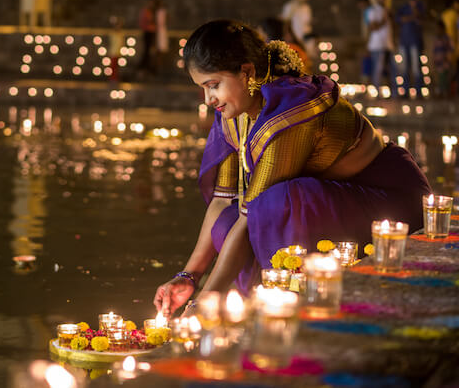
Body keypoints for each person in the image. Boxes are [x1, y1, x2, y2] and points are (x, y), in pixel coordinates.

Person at [153, 20, 431, 317]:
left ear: (246, 72)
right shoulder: (233, 112)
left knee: (278, 203)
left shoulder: (288, 111)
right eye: (203, 89)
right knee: (226, 221)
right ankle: (253, 306)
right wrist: (188, 278)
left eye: (214, 86)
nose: (209, 99)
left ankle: (284, 310)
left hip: (388, 203)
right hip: (333, 204)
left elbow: (253, 215)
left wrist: (202, 305)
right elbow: (222, 202)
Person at [396, 0, 426, 94]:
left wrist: (414, 11)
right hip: (404, 41)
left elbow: (421, 20)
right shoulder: (403, 7)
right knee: (404, 68)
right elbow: (399, 19)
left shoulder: (420, 6)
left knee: (416, 68)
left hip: (415, 41)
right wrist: (411, 17)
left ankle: (418, 91)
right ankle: (405, 91)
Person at [367, 0, 397, 94]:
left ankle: (394, 93)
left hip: (388, 44)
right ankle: (377, 92)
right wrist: (384, 20)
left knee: (393, 69)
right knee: (378, 70)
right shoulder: (372, 10)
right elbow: (372, 27)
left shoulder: (387, 10)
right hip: (377, 45)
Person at [432, 20, 453, 98]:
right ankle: (440, 93)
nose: (438, 30)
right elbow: (434, 50)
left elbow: (450, 49)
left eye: (439, 28)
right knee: (439, 78)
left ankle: (446, 92)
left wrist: (449, 59)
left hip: (445, 62)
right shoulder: (436, 38)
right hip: (438, 62)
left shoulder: (447, 38)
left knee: (445, 77)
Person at [137, 0, 157, 77]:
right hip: (147, 32)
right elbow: (146, 21)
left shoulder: (152, 11)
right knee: (147, 50)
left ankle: (147, 67)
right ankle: (144, 67)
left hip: (151, 31)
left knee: (149, 51)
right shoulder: (146, 11)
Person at [155, 0, 169, 75]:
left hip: (161, 32)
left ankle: (160, 68)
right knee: (159, 52)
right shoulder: (159, 12)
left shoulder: (161, 11)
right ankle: (158, 69)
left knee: (161, 51)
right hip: (159, 32)